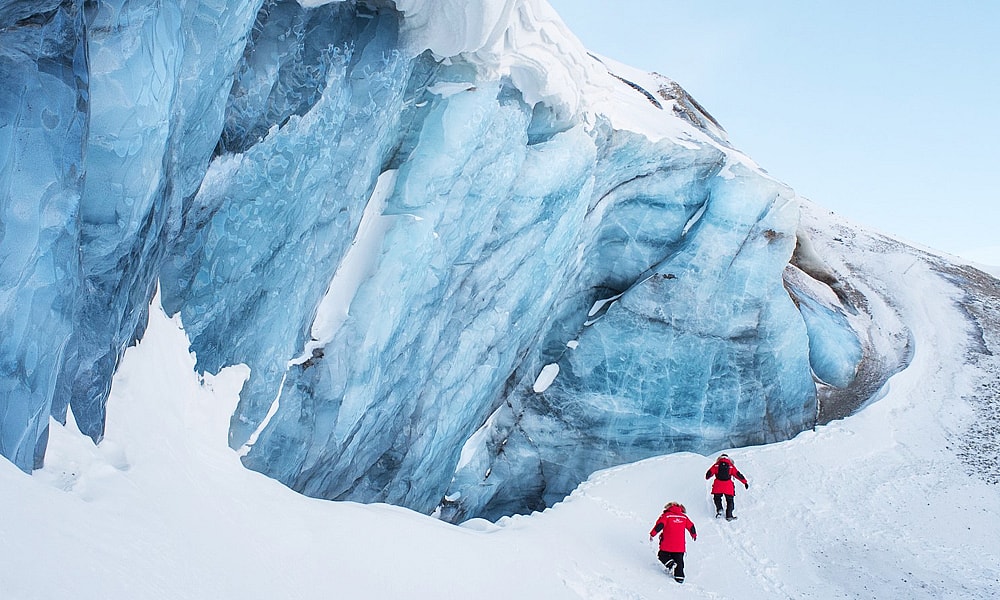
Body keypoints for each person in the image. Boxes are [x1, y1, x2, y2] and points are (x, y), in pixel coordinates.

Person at [648, 502, 697, 583]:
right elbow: (691, 526)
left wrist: (652, 534)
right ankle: (680, 577)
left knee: (662, 555)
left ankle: (671, 564)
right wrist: (694, 534)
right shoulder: (684, 517)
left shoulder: (666, 516)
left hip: (667, 543)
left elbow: (660, 525)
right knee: (679, 561)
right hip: (680, 545)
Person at [705, 453, 748, 521]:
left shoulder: (716, 465)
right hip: (728, 486)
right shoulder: (731, 466)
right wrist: (745, 482)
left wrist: (708, 476)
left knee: (717, 498)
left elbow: (708, 475)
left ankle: (719, 510)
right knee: (730, 500)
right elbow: (738, 475)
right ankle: (729, 515)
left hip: (718, 485)